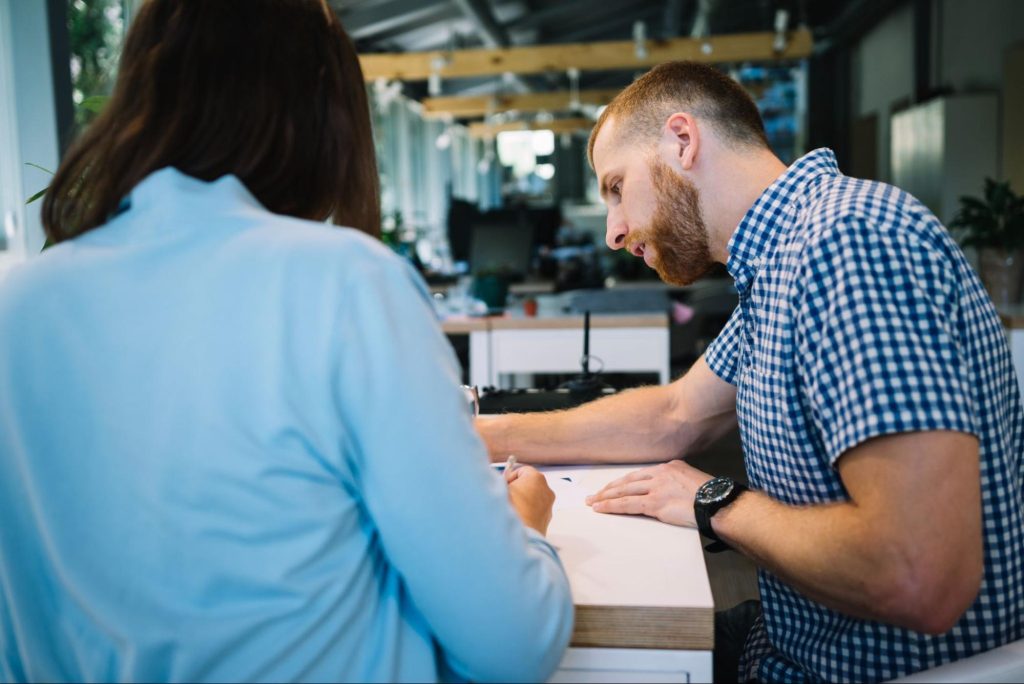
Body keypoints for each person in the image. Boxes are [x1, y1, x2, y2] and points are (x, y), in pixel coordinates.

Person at [0, 1, 573, 682]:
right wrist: (528, 533)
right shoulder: (348, 284)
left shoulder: (19, 309)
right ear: (324, 112)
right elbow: (512, 643)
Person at [476, 61, 1024, 682]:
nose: (613, 231)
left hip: (854, 669)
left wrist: (716, 503)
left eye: (616, 187)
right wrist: (476, 433)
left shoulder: (846, 241)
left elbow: (921, 574)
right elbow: (675, 414)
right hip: (792, 637)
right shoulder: (782, 261)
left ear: (682, 141)